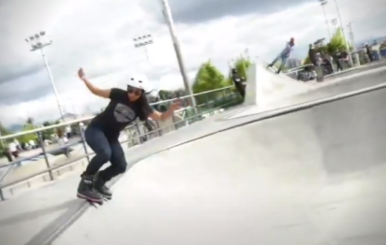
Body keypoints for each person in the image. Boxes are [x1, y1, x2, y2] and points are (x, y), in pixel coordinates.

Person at [76, 68, 181, 203]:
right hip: (96, 130)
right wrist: (84, 79)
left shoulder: (142, 107)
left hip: (111, 137)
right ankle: (85, 185)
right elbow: (97, 91)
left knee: (120, 165)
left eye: (136, 92)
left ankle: (99, 182)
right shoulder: (118, 94)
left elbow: (160, 117)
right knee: (104, 153)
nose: (132, 94)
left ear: (142, 93)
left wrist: (171, 110)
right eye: (130, 90)